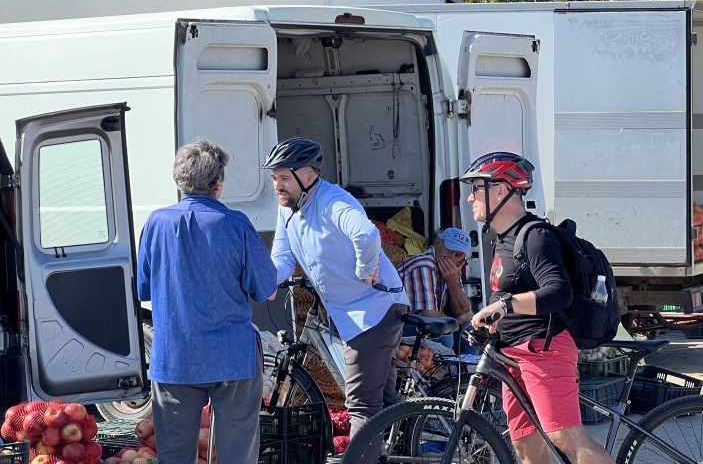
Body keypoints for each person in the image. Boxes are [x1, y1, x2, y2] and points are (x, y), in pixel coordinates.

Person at [466, 152, 613, 464]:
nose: (469, 198)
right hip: (513, 356)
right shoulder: (501, 239)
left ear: (501, 190)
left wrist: (506, 305)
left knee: (568, 440)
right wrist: (494, 318)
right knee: (526, 448)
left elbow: (559, 292)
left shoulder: (535, 236)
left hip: (543, 352)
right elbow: (512, 290)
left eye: (476, 188)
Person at [137, 139, 277, 464]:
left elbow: (144, 289)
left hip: (175, 358)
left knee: (173, 455)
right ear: (218, 184)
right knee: (237, 454)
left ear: (179, 181)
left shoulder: (155, 224)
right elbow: (266, 290)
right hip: (232, 359)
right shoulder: (236, 224)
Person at [263, 137, 408, 437]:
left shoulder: (333, 201)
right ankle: (408, 449)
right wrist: (265, 281)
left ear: (309, 175)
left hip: (372, 312)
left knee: (362, 406)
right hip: (354, 313)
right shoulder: (287, 209)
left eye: (285, 178)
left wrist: (365, 270)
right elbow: (282, 257)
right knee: (387, 399)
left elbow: (366, 235)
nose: (278, 185)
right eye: (275, 178)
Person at [397, 227, 474, 350]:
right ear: (438, 243)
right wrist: (459, 320)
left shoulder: (452, 269)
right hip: (397, 326)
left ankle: (468, 369)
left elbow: (464, 310)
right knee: (443, 335)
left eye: (459, 255)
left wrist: (453, 282)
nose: (452, 259)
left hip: (422, 324)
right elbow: (430, 316)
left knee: (470, 331)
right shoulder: (423, 265)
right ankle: (443, 370)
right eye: (450, 251)